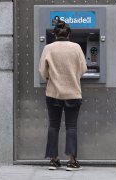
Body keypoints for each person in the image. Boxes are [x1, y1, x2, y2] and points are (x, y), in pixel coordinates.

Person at [39, 18, 87, 171]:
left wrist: (51, 78)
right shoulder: (77, 47)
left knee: (53, 126)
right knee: (71, 127)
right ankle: (72, 161)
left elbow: (42, 71)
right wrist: (73, 76)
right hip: (73, 93)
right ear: (69, 34)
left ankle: (53, 160)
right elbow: (83, 69)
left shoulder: (48, 48)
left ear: (54, 34)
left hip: (53, 93)